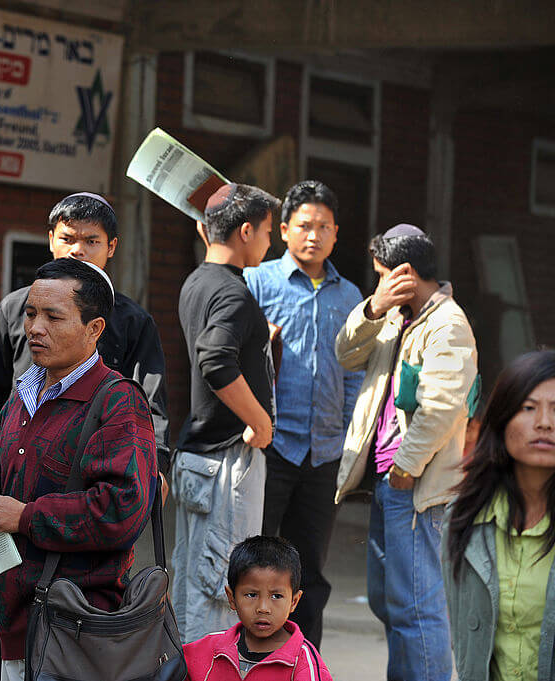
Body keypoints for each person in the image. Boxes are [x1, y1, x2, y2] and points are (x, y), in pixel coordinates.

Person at [0, 192, 169, 680]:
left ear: (95, 328)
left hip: (75, 620)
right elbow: (4, 478)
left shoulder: (118, 402)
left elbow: (122, 511)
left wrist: (25, 516)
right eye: (31, 314)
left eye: (53, 317)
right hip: (10, 608)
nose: (34, 327)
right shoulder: (20, 396)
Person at [335, 223, 478, 681]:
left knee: (417, 607)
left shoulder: (448, 325)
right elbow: (345, 353)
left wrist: (405, 467)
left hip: (415, 487)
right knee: (390, 600)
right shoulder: (396, 316)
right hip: (387, 482)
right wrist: (374, 306)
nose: (379, 284)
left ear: (407, 273)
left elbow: (439, 410)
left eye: (382, 276)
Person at [244, 180, 363, 647]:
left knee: (309, 570)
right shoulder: (258, 282)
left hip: (324, 452)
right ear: (286, 230)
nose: (314, 235)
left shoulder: (351, 295)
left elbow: (354, 371)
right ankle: (244, 662)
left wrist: (349, 434)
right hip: (270, 446)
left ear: (336, 234)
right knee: (252, 561)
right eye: (304, 226)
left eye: (324, 227)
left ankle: (302, 662)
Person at [172, 182, 279, 643]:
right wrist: (260, 420)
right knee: (219, 593)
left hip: (199, 456)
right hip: (225, 462)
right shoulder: (232, 293)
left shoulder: (199, 280)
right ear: (247, 230)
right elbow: (215, 359)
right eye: (269, 232)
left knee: (192, 586)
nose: (271, 242)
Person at [443, 350, 555, 681]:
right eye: (528, 408)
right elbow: (465, 642)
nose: (544, 423)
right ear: (502, 420)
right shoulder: (463, 518)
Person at [184, 536, 333, 681]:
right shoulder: (208, 650)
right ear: (232, 598)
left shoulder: (303, 663)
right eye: (251, 595)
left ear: (294, 602)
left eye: (276, 596)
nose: (263, 608)